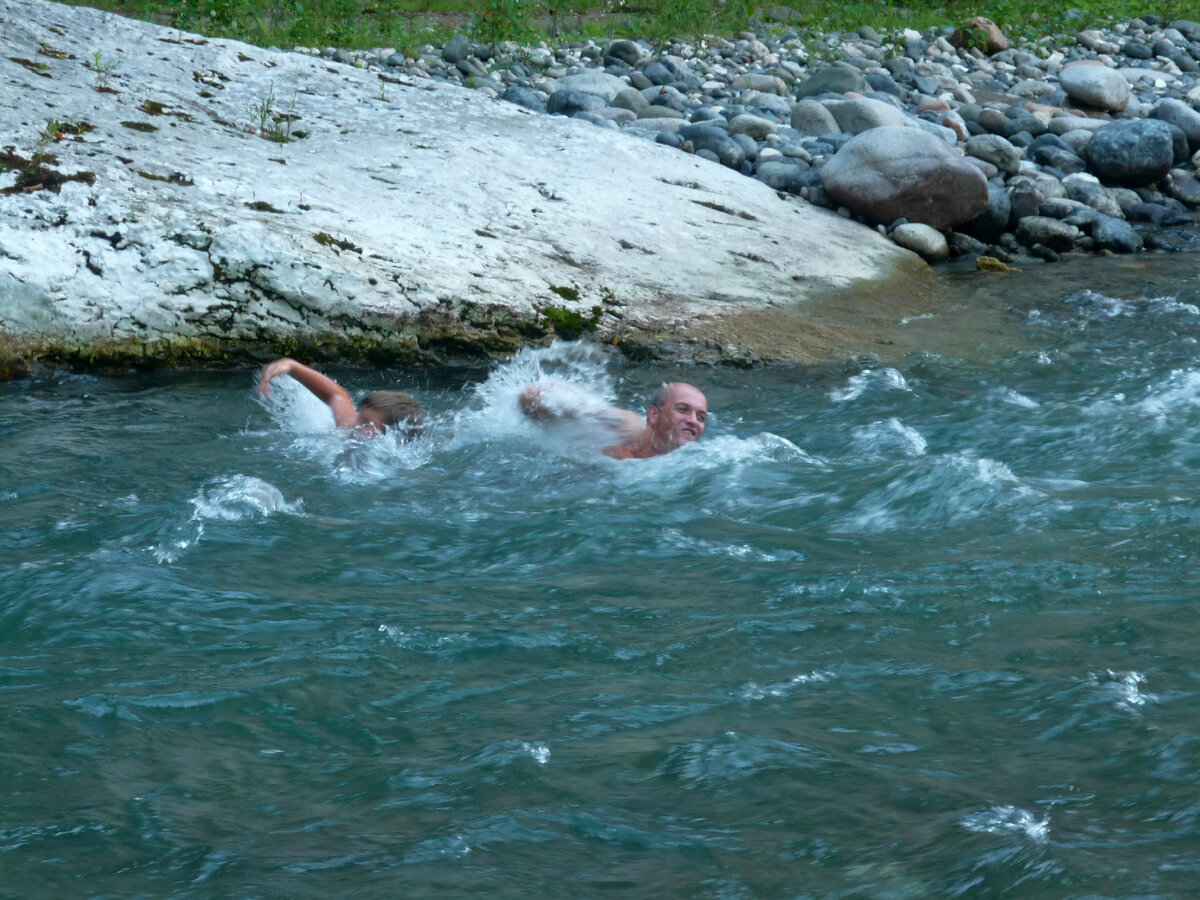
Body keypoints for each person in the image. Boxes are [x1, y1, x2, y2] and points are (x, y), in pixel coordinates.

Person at [518, 380, 707, 459]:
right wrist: (593, 411)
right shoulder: (628, 429)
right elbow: (530, 396)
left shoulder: (691, 467)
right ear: (654, 415)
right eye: (683, 409)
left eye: (701, 417)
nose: (693, 421)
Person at [256, 357, 425, 439]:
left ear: (390, 438)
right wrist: (289, 366)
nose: (352, 423)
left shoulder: (391, 465)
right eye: (360, 416)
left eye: (365, 423)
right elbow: (336, 394)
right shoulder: (350, 424)